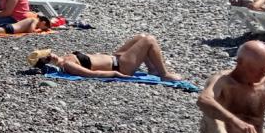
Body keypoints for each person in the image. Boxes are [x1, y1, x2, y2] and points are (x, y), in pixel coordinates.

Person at [26, 34, 183, 81]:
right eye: (46, 57)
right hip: (120, 66)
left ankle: (152, 68)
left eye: (47, 53)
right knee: (149, 40)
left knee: (141, 36)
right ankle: (163, 74)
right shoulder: (67, 65)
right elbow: (92, 74)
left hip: (115, 58)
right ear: (46, 62)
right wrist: (117, 75)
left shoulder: (64, 58)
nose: (50, 54)